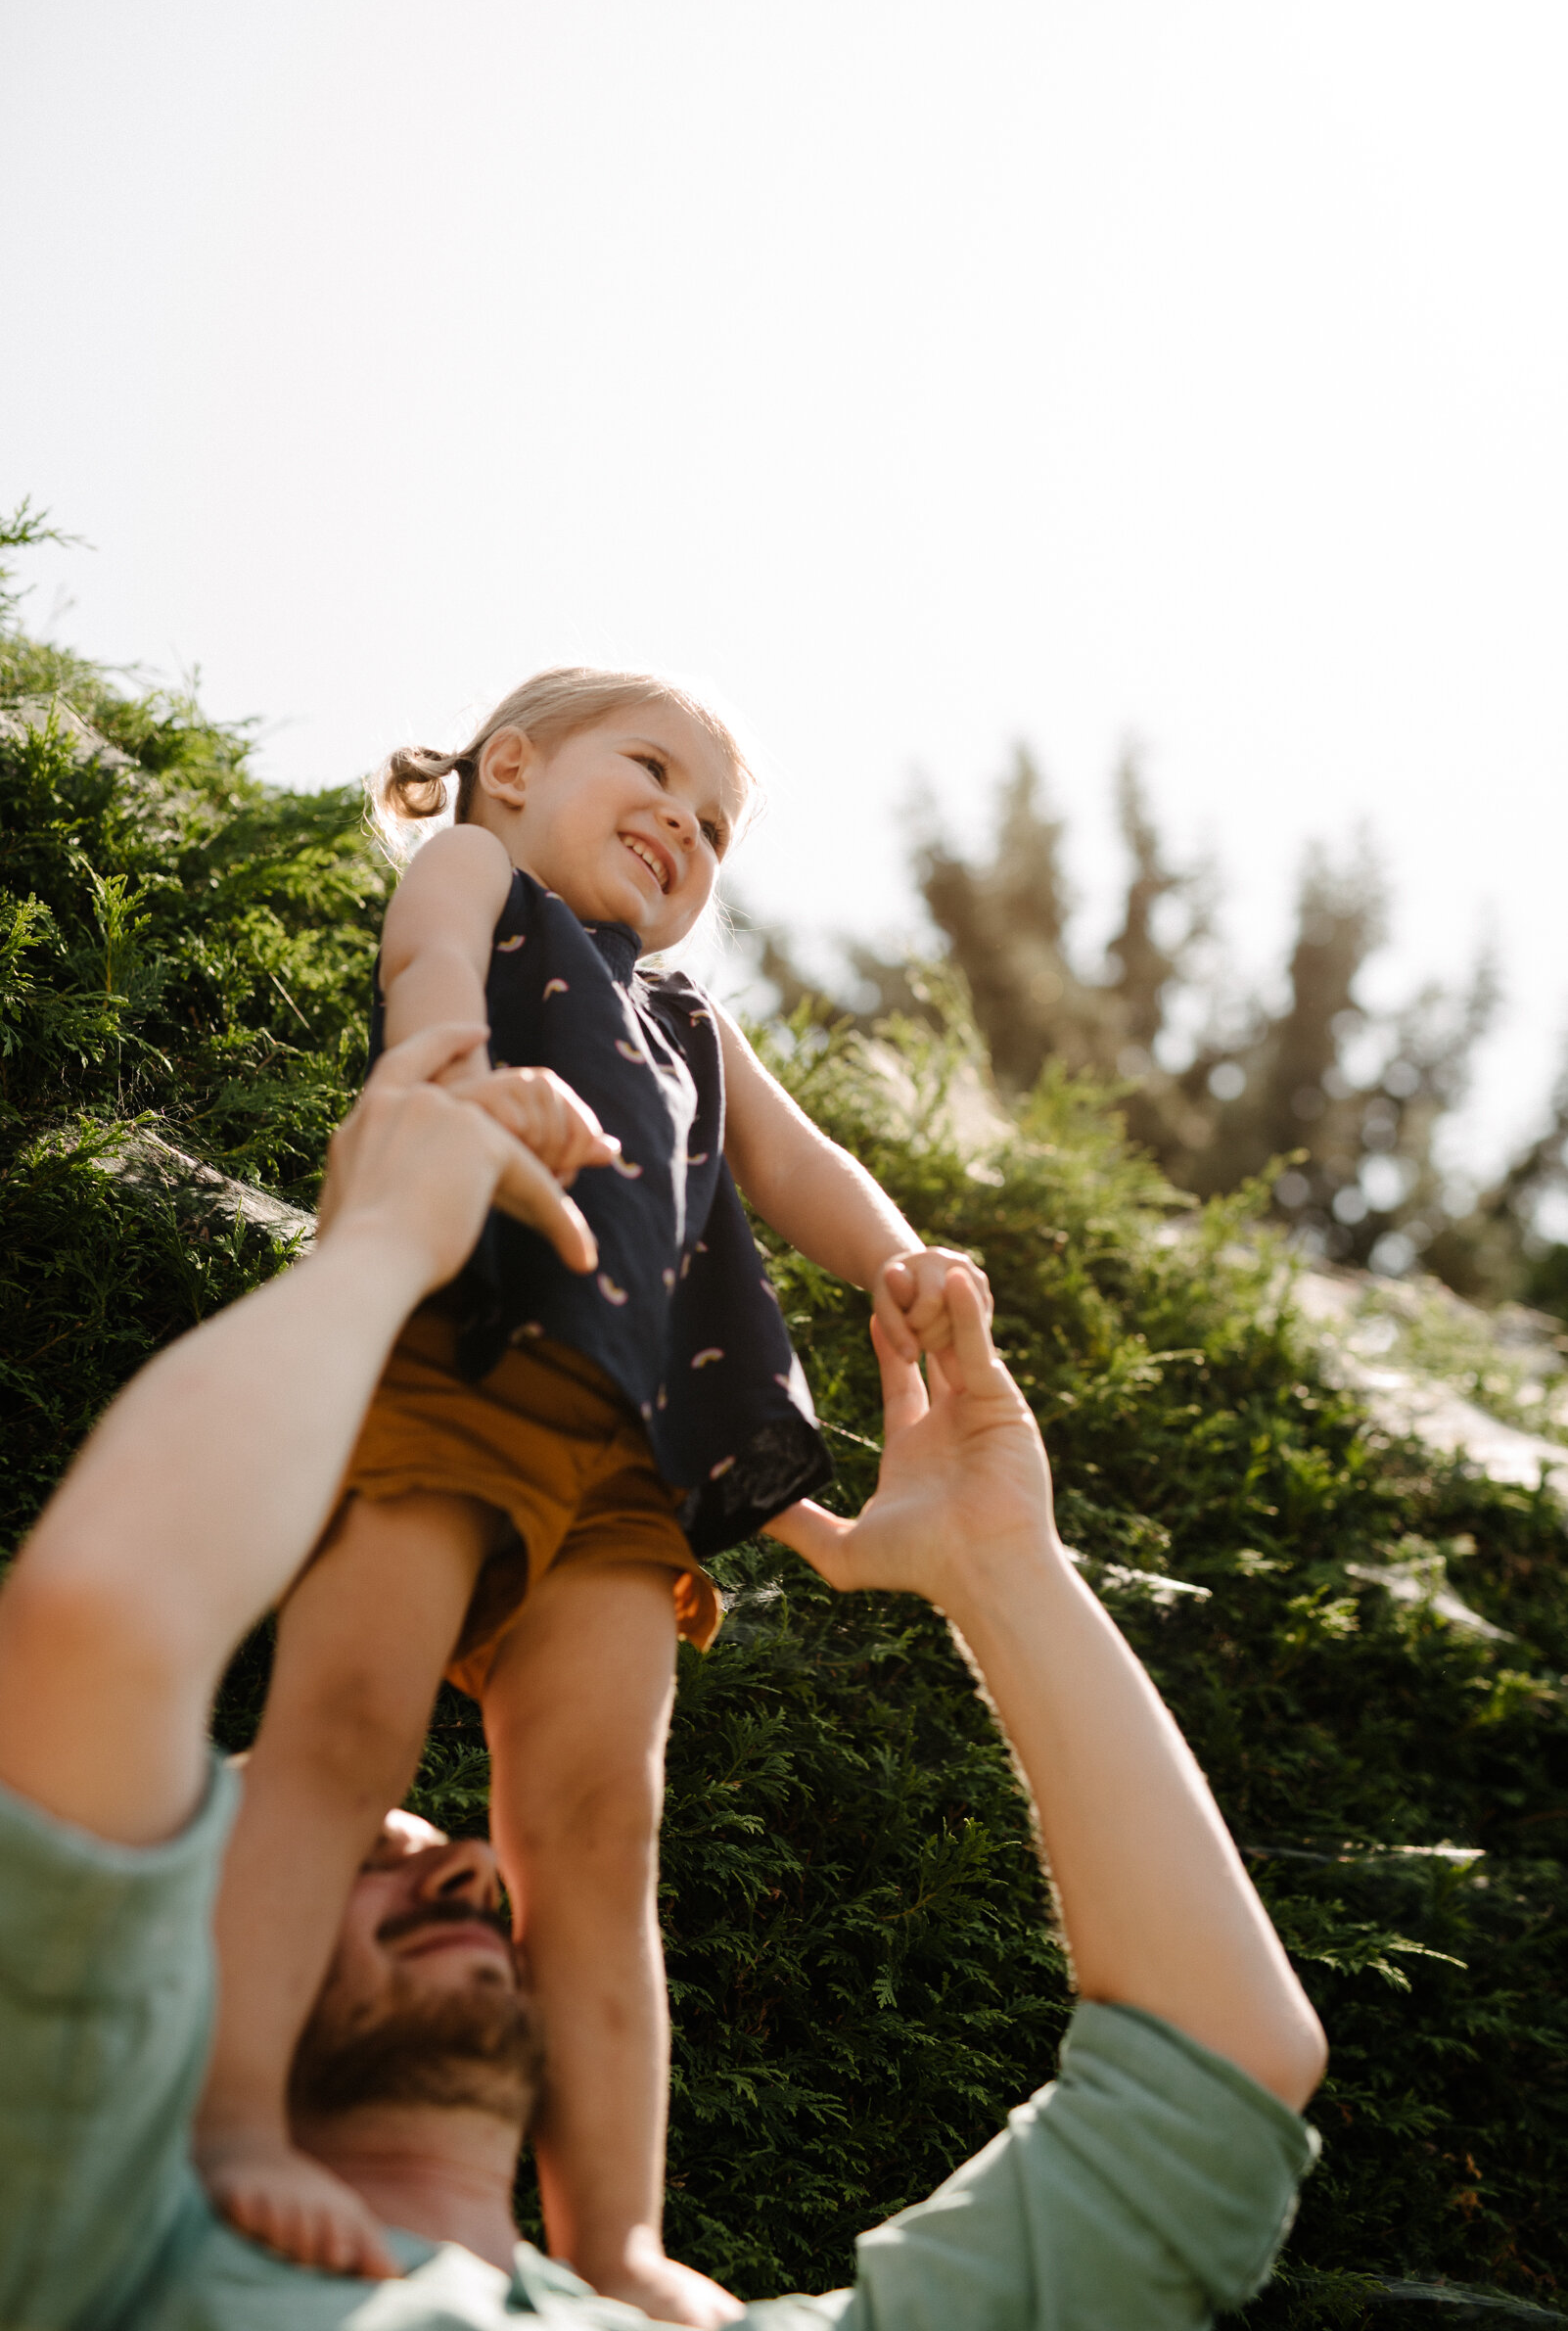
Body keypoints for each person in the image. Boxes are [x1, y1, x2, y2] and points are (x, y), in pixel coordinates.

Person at [0, 1022, 1327, 2331]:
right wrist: (385, 1253)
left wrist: (1003, 1567)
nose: (469, 1870)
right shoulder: (86, 2243)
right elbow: (98, 1631)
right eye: (358, 1855)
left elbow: (1224, 2065)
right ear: (129, 1982)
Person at [194, 668, 991, 2317]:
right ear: (507, 771)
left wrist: (899, 1257)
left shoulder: (691, 1016)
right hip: (462, 1345)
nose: (682, 830)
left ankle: (616, 2236)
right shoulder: (473, 877)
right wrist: (440, 1068)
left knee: (598, 1825)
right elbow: (423, 966)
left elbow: (793, 1165)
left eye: (712, 829)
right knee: (344, 1723)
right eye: (653, 774)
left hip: (627, 1448)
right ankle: (238, 2117)